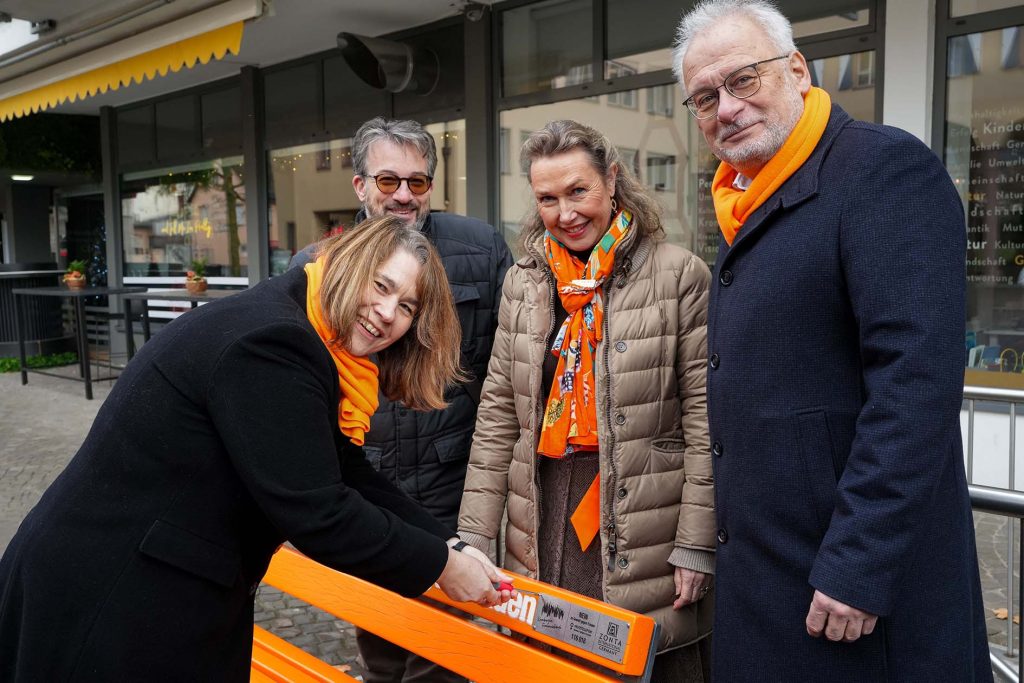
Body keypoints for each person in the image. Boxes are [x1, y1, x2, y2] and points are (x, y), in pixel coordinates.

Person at [0, 216, 512, 681]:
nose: (386, 313)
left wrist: (450, 543)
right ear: (350, 266)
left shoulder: (304, 330)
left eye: (406, 307)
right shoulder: (274, 344)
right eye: (381, 286)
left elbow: (347, 470)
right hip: (113, 592)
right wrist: (441, 567)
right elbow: (320, 514)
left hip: (152, 585)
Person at [673, 1, 991, 681]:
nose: (725, 108)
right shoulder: (748, 198)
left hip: (849, 594)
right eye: (705, 96)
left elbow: (914, 382)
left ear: (796, 69)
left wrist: (860, 561)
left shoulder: (882, 170)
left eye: (743, 80)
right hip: (773, 576)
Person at [457, 119, 715, 681]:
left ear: (612, 180)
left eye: (578, 191)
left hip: (640, 520)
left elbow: (706, 423)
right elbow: (499, 412)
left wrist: (697, 544)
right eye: (547, 198)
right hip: (543, 513)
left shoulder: (678, 276)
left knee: (642, 663)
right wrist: (475, 534)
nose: (565, 213)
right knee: (550, 663)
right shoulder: (525, 283)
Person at [291, 116, 512, 683]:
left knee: (443, 650)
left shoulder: (480, 248)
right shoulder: (318, 266)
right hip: (368, 477)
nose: (404, 195)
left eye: (418, 181)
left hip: (450, 481)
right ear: (360, 186)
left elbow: (505, 364)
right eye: (388, 181)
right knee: (381, 638)